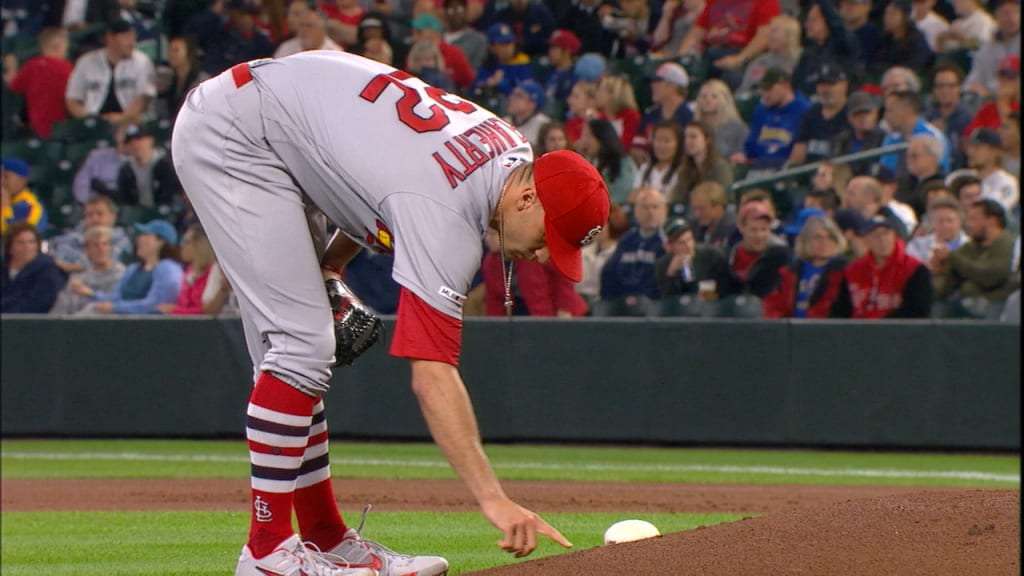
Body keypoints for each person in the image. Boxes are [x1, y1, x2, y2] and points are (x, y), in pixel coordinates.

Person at [171, 51, 606, 575]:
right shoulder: (449, 212)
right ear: (528, 198)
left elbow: (376, 181)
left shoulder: (511, 150)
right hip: (236, 132)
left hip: (273, 116)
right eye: (547, 238)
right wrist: (493, 498)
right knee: (301, 347)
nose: (541, 256)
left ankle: (326, 538)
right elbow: (432, 375)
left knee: (301, 350)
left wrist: (330, 267)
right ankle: (265, 554)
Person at [829, 214, 932, 318]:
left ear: (894, 236)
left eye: (886, 233)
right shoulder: (853, 271)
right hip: (858, 331)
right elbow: (840, 310)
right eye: (876, 235)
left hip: (898, 332)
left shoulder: (915, 269)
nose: (882, 240)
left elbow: (917, 311)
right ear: (866, 240)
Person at [65, 19, 156, 127]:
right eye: (126, 37)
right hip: (94, 126)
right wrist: (90, 120)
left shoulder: (142, 61)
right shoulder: (86, 62)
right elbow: (72, 100)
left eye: (133, 37)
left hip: (132, 125)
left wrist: (122, 119)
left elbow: (144, 98)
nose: (132, 42)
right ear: (110, 38)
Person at [676, 0, 781, 91]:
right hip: (712, 52)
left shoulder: (766, 2)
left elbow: (764, 37)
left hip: (746, 55)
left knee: (733, 77)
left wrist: (739, 59)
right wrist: (681, 59)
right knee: (690, 70)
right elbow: (697, 31)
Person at [84, 219, 184, 315]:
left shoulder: (168, 269)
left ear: (161, 241)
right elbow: (115, 299)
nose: (139, 239)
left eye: (146, 235)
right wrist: (93, 295)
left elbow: (154, 305)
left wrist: (115, 308)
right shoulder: (133, 269)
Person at [762, 214, 848, 318]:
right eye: (818, 237)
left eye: (830, 237)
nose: (824, 242)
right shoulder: (788, 273)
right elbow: (774, 306)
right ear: (805, 241)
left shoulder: (845, 272)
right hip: (792, 329)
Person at [932, 198, 1016, 301]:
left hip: (999, 308)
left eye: (974, 219)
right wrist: (941, 270)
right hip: (966, 307)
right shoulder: (971, 247)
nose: (968, 225)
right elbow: (948, 281)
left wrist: (952, 257)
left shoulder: (1008, 245)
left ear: (991, 222)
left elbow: (990, 277)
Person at [2, 27, 72, 138]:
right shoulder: (67, 68)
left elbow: (13, 84)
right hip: (60, 125)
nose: (66, 53)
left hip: (36, 124)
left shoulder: (32, 65)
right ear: (58, 47)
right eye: (65, 49)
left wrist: (11, 66)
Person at [600, 187, 668, 301]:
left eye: (655, 207)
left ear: (665, 211)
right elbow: (609, 273)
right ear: (636, 211)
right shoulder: (626, 240)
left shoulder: (667, 241)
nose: (650, 212)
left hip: (654, 305)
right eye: (645, 207)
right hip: (623, 304)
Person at [739, 68, 810, 169]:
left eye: (769, 89)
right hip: (758, 167)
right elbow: (751, 147)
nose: (764, 94)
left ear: (786, 86)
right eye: (762, 89)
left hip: (785, 169)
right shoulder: (760, 111)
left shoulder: (804, 111)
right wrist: (743, 156)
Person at [50, 226, 127, 315]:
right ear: (87, 250)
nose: (101, 249)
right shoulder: (79, 279)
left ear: (111, 248)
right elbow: (60, 309)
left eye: (105, 244)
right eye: (96, 245)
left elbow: (116, 304)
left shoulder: (122, 275)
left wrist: (90, 294)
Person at [186, 0, 276, 76]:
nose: (246, 19)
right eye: (241, 14)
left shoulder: (263, 43)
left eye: (249, 15)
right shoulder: (219, 38)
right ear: (232, 15)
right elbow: (210, 66)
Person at [49, 195, 134, 274]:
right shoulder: (70, 239)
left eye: (99, 214)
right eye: (89, 215)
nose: (94, 219)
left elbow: (109, 270)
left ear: (113, 217)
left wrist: (77, 268)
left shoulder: (122, 242)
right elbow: (57, 263)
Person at [723, 201, 790, 298]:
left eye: (764, 229)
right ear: (741, 228)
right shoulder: (729, 256)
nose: (759, 236)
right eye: (753, 229)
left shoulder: (779, 258)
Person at [788, 62, 850, 166]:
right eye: (821, 85)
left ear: (844, 85)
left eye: (831, 84)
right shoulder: (810, 115)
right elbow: (798, 155)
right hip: (809, 174)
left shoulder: (852, 114)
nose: (825, 89)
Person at [157, 223, 226, 315]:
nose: (182, 246)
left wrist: (174, 310)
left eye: (186, 242)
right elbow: (183, 304)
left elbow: (208, 311)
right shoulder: (188, 271)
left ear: (200, 245)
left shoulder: (215, 272)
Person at [879, 90, 950, 178]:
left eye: (890, 110)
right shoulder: (890, 139)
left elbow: (940, 173)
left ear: (907, 109)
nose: (886, 116)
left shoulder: (933, 137)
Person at [654, 217, 729, 298]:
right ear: (668, 246)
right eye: (681, 243)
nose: (688, 246)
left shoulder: (712, 256)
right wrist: (671, 274)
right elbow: (667, 302)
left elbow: (726, 290)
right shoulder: (662, 265)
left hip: (713, 307)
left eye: (689, 239)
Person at [0, 222, 65, 314]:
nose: (27, 247)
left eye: (31, 242)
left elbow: (38, 304)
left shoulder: (47, 270)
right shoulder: (3, 268)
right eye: (20, 243)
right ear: (10, 247)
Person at [634, 62, 693, 161]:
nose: (652, 86)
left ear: (673, 86)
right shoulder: (650, 115)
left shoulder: (690, 116)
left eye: (658, 82)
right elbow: (637, 144)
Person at [734, 14, 802, 100]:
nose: (769, 35)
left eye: (774, 31)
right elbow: (744, 89)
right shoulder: (761, 61)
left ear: (789, 35)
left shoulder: (802, 59)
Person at [115, 124, 182, 209]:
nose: (135, 144)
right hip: (137, 215)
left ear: (150, 140)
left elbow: (172, 194)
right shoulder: (125, 170)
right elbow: (124, 199)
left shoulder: (166, 165)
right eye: (130, 142)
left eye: (139, 139)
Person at [577, 203, 630, 306]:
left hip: (608, 303)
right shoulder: (583, 252)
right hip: (580, 302)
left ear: (612, 224)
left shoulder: (621, 253)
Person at [964, 0, 1019, 97]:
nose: (1012, 18)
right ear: (996, 16)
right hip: (990, 98)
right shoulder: (987, 48)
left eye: (1016, 12)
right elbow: (973, 80)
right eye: (1006, 13)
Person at [671, 119, 733, 204]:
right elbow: (676, 199)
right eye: (686, 137)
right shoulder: (685, 170)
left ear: (707, 140)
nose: (687, 141)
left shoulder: (720, 167)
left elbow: (725, 198)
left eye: (693, 137)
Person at [578, 118, 637, 204]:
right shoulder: (588, 161)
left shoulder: (623, 164)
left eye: (589, 136)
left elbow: (621, 196)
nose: (584, 141)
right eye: (583, 135)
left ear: (602, 138)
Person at [925, 62, 972, 168]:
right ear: (934, 90)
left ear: (959, 88)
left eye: (951, 86)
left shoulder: (968, 119)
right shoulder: (926, 118)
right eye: (940, 86)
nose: (945, 91)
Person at [869, 0, 933, 76]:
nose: (887, 18)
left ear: (905, 16)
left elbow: (916, 64)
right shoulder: (885, 39)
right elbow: (875, 62)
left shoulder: (917, 41)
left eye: (892, 14)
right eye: (886, 13)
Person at [693, 78, 749, 161]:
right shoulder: (694, 126)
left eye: (714, 97)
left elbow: (746, 152)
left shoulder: (736, 127)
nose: (708, 100)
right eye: (704, 96)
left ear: (724, 100)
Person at [965, 127, 1019, 213]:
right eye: (970, 146)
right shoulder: (962, 178)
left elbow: (994, 213)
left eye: (977, 147)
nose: (970, 152)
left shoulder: (1007, 182)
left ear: (995, 151)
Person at [964, 55, 1020, 136]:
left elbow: (1014, 138)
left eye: (1011, 76)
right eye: (1001, 76)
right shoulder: (988, 108)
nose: (1004, 81)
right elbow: (969, 137)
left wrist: (1003, 103)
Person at [473, 21, 533, 96]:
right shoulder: (488, 65)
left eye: (510, 42)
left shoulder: (522, 61)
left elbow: (527, 91)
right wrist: (486, 85)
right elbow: (474, 89)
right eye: (503, 44)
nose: (508, 47)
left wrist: (501, 84)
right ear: (492, 47)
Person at [905, 196, 969, 265]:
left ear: (960, 221)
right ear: (932, 222)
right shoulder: (917, 246)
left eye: (950, 220)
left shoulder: (972, 246)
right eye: (940, 221)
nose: (945, 225)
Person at [157, 36, 210, 119]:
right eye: (170, 50)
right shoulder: (169, 80)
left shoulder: (201, 80)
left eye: (176, 50)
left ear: (188, 53)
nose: (171, 54)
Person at [633, 121, 683, 199]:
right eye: (658, 140)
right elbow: (632, 198)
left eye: (667, 141)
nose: (661, 145)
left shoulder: (682, 171)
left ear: (678, 144)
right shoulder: (645, 168)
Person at [595, 74, 642, 153]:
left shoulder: (631, 116)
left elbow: (626, 145)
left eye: (600, 90)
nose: (597, 94)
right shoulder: (599, 116)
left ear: (612, 94)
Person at [273, 7, 345, 58]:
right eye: (301, 25)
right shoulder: (286, 49)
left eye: (309, 26)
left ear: (321, 30)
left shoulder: (335, 53)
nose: (303, 30)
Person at [1, 158, 47, 236]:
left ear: (22, 181)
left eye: (6, 177)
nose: (1, 181)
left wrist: (5, 207)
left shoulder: (31, 207)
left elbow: (17, 238)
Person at [541, 29, 582, 117]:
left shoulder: (575, 76)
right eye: (550, 48)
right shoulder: (545, 72)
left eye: (555, 48)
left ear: (567, 52)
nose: (550, 52)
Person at [688, 180, 735, 248]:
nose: (697, 214)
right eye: (694, 209)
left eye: (702, 209)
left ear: (719, 207)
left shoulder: (732, 228)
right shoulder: (694, 226)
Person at [503, 80, 551, 147]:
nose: (511, 98)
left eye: (519, 96)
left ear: (532, 104)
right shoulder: (504, 122)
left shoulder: (543, 125)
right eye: (513, 94)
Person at [444, 0, 489, 70]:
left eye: (459, 9)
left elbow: (476, 71)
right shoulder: (438, 37)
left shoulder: (478, 40)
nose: (455, 13)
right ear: (445, 13)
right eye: (450, 10)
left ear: (466, 11)